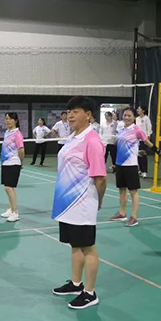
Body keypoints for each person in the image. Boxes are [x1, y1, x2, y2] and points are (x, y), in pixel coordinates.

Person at [51, 96, 107, 309]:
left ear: (88, 115)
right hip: (67, 204)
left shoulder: (92, 140)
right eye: (69, 111)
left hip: (83, 202)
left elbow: (100, 178)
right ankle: (76, 284)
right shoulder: (74, 137)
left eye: (75, 111)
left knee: (88, 248)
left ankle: (90, 293)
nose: (70, 115)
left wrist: (98, 200)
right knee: (75, 245)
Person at [110, 107, 159, 227]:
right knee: (122, 189)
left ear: (133, 117)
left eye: (129, 115)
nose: (126, 117)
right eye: (125, 115)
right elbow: (123, 146)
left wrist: (156, 150)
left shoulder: (137, 130)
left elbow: (146, 141)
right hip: (120, 164)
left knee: (133, 191)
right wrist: (136, 152)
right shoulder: (121, 129)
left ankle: (134, 217)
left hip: (131, 165)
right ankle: (122, 213)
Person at [0, 112, 25, 222]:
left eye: (10, 119)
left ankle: (15, 212)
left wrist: (21, 162)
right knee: (7, 187)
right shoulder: (7, 132)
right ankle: (10, 209)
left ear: (15, 120)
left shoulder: (17, 134)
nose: (8, 121)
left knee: (8, 187)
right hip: (5, 162)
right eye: (6, 119)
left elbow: (21, 150)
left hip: (14, 162)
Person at [136, 105, 153, 178]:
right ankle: (140, 170)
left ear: (143, 110)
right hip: (137, 140)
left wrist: (147, 138)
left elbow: (149, 129)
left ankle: (145, 171)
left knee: (143, 155)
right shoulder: (137, 119)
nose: (137, 110)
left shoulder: (146, 119)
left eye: (139, 109)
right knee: (138, 155)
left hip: (144, 139)